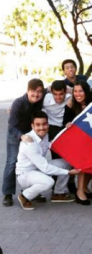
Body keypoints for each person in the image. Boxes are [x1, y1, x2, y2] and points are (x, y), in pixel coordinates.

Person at [16, 111, 81, 210]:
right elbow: (45, 168)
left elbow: (56, 143)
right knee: (48, 182)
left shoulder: (45, 135)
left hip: (38, 169)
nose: (42, 128)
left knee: (66, 162)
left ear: (48, 124)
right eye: (38, 125)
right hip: (25, 175)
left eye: (44, 124)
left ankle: (59, 193)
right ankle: (24, 196)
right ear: (32, 126)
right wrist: (68, 173)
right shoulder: (29, 142)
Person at [2, 79, 45, 207]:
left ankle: (32, 192)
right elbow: (11, 126)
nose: (36, 95)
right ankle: (8, 194)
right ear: (27, 91)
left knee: (32, 162)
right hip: (16, 135)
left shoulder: (40, 99)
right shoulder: (18, 103)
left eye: (39, 92)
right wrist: (21, 136)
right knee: (12, 162)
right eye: (33, 91)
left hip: (31, 134)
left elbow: (51, 87)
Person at [63, 81, 92, 205]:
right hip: (78, 143)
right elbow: (65, 122)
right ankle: (80, 191)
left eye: (80, 91)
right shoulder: (70, 105)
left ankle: (85, 187)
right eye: (75, 91)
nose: (78, 94)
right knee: (83, 164)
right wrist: (67, 124)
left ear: (86, 91)